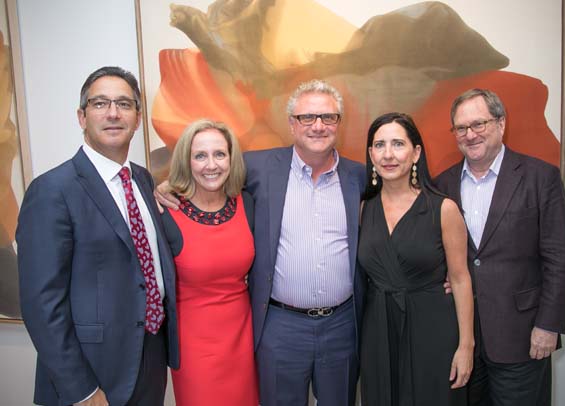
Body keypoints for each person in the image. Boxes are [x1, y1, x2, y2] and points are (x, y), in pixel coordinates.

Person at [157, 79, 366, 405]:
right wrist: (168, 186)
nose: (318, 126)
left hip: (341, 325)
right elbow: (210, 171)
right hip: (280, 326)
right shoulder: (258, 168)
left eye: (328, 117)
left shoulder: (359, 176)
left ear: (339, 123)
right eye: (306, 118)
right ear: (291, 124)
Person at [16, 66, 179, 406]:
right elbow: (41, 304)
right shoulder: (52, 191)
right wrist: (82, 390)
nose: (113, 113)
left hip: (149, 358)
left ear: (137, 118)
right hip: (92, 372)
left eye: (124, 103)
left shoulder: (143, 181)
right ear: (82, 116)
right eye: (100, 103)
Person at [435, 88, 565, 406]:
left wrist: (549, 325)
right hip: (463, 339)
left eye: (478, 124)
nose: (470, 134)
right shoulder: (442, 185)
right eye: (461, 127)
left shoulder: (541, 178)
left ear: (501, 123)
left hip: (522, 336)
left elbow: (560, 258)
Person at [358, 112, 474, 405]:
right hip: (378, 332)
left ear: (416, 152)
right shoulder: (362, 209)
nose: (388, 154)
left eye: (398, 144)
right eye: (379, 145)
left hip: (433, 332)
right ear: (371, 154)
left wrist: (466, 346)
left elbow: (460, 279)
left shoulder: (443, 209)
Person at [160, 119, 258, 405]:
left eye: (219, 154)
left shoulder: (247, 203)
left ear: (231, 158)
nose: (211, 165)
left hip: (243, 341)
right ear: (186, 161)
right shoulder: (166, 212)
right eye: (200, 156)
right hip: (194, 349)